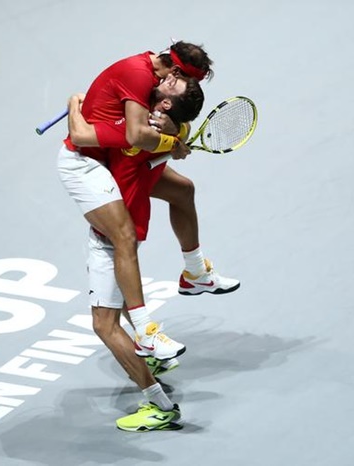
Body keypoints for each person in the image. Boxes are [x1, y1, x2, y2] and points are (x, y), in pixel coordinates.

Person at [57, 41, 212, 367]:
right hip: (98, 181)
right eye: (184, 79)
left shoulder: (145, 114)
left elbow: (158, 128)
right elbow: (82, 136)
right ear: (174, 73)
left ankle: (194, 273)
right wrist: (74, 104)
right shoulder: (134, 123)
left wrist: (176, 134)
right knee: (108, 305)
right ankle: (145, 333)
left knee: (182, 191)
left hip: (118, 179)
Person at [65, 75, 203, 432]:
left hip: (112, 234)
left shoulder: (132, 136)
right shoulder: (164, 137)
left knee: (104, 324)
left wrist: (75, 102)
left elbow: (81, 136)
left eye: (170, 86)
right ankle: (154, 343)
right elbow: (171, 131)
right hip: (129, 221)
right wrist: (177, 138)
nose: (161, 81)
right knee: (123, 301)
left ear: (165, 107)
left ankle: (159, 405)